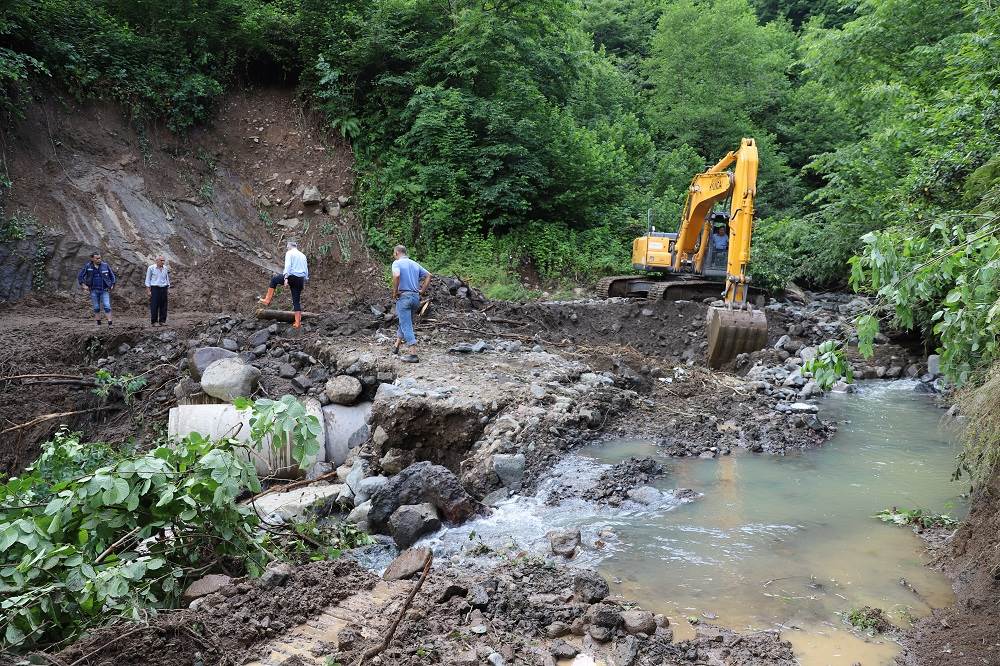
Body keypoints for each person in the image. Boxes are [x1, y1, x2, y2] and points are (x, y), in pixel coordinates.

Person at [391, 244, 431, 363]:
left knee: (406, 324)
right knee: (404, 322)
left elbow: (396, 275)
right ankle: (396, 347)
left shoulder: (396, 263)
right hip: (415, 298)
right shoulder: (414, 264)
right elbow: (429, 275)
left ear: (397, 253)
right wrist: (422, 291)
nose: (394, 256)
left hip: (404, 297)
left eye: (394, 254)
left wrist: (395, 292)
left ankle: (413, 354)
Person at [259, 241, 308, 328]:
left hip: (292, 276)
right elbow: (306, 269)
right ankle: (297, 323)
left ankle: (267, 300)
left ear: (289, 246)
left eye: (287, 246)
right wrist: (305, 280)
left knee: (274, 280)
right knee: (296, 301)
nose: (286, 248)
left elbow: (288, 266)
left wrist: (285, 277)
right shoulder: (303, 255)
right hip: (300, 279)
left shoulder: (289, 253)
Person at [78, 252, 116, 326]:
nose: (99, 260)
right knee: (96, 307)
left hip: (104, 290)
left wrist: (112, 284)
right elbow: (80, 276)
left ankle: (110, 323)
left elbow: (112, 276)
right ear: (92, 259)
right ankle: (98, 324)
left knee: (107, 306)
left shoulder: (105, 265)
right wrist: (83, 285)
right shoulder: (88, 266)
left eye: (100, 258)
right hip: (93, 290)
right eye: (97, 258)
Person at [145, 255, 171, 326]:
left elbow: (166, 278)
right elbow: (147, 280)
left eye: (163, 260)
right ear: (157, 261)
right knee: (154, 305)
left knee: (164, 305)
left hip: (164, 288)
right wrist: (148, 291)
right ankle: (154, 321)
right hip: (155, 288)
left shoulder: (165, 268)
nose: (163, 262)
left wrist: (167, 287)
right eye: (161, 260)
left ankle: (162, 321)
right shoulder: (151, 268)